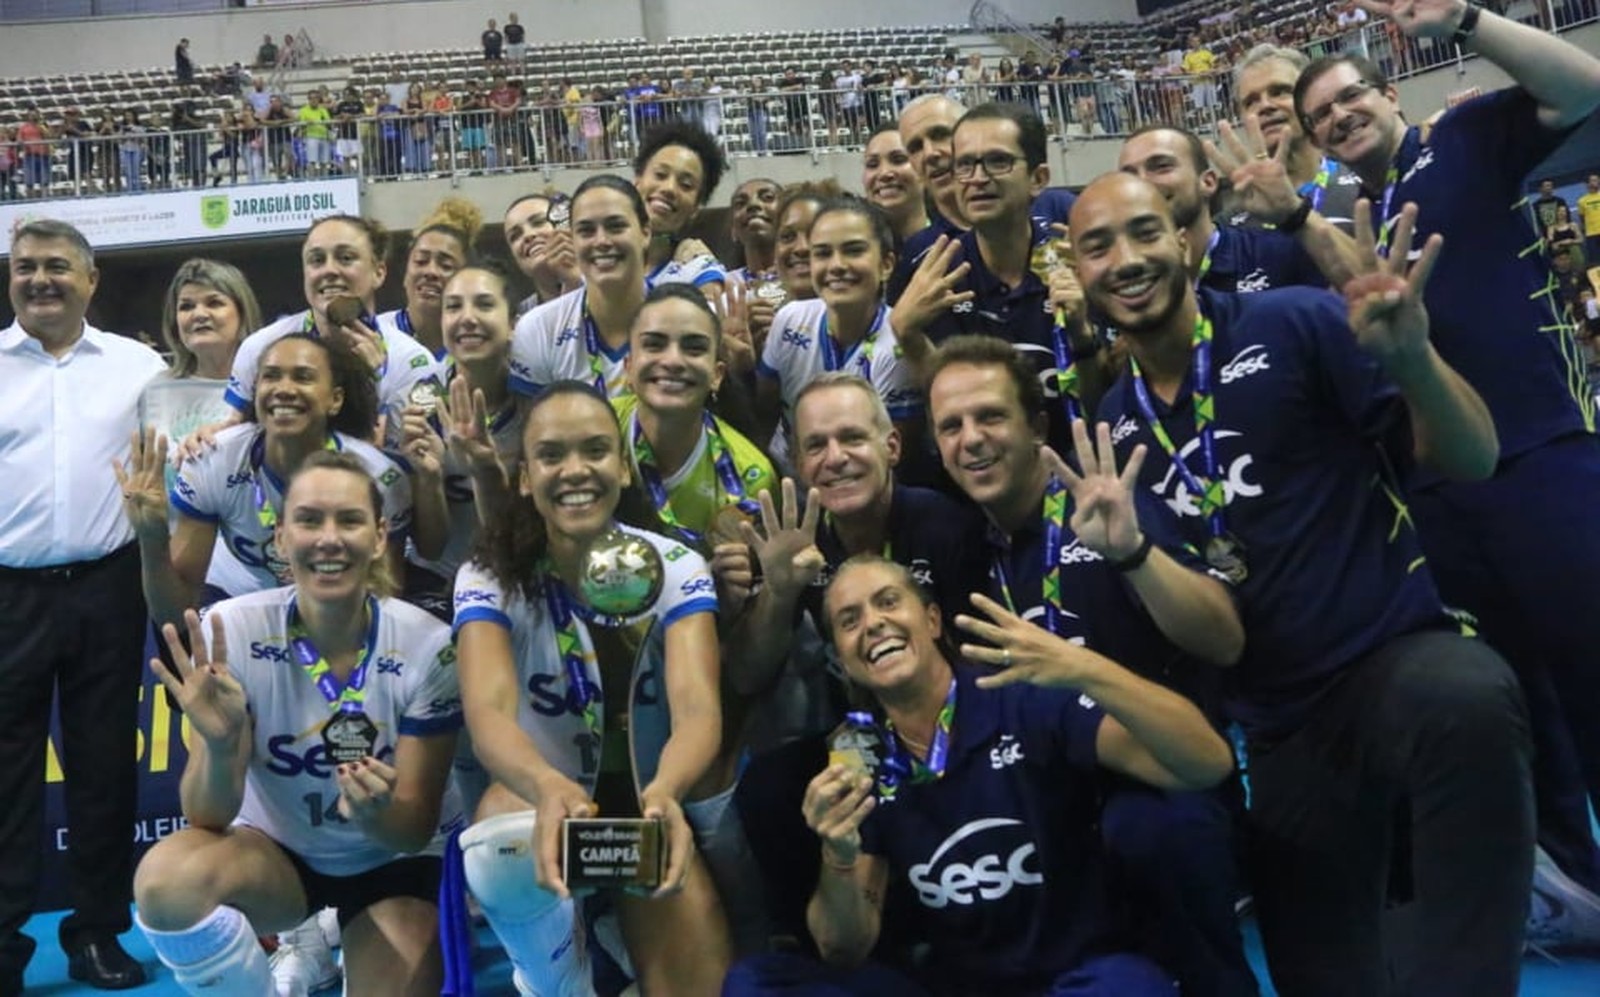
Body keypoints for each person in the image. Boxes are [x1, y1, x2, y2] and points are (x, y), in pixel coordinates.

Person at [1081, 170, 1533, 994]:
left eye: (1145, 232)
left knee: (1469, 697)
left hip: (1391, 661)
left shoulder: (1291, 321)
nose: (1126, 258)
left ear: (1185, 240)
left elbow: (1474, 457)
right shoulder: (1116, 427)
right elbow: (1222, 632)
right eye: (1098, 244)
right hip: (1282, 727)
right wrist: (1135, 555)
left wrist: (1414, 358)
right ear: (1076, 273)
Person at [1295, 13, 1600, 948]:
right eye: (1322, 116)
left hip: (1545, 451)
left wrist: (1467, 16)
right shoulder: (1356, 219)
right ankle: (1579, 894)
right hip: (1442, 492)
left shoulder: (1466, 133)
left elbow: (1586, 87)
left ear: (1392, 94)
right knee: (1517, 704)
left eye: (1353, 96)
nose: (1341, 116)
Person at [723, 555, 1233, 996]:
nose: (873, 624)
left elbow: (1207, 761)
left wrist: (1084, 668)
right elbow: (843, 949)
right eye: (849, 620)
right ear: (842, 660)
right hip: (958, 984)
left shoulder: (1020, 694)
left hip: (1078, 974)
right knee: (757, 984)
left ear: (933, 620)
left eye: (888, 602)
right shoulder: (859, 756)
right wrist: (837, 855)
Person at [131, 451, 464, 997]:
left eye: (349, 520)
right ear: (281, 538)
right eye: (309, 520)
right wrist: (217, 744)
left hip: (393, 862)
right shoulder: (230, 629)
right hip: (282, 856)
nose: (328, 538)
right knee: (165, 884)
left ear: (380, 536)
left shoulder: (428, 646)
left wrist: (378, 813)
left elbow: (413, 831)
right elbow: (206, 814)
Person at [451, 380, 730, 995]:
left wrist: (666, 792)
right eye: (551, 455)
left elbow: (697, 708)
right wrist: (547, 786)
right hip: (542, 803)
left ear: (624, 467)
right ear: (525, 479)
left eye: (596, 450)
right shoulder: (488, 576)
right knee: (499, 839)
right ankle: (556, 978)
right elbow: (489, 714)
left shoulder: (677, 567)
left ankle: (611, 931)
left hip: (644, 808)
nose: (575, 470)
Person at [0, 220, 166, 993]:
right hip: (8, 593)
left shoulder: (140, 368)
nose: (41, 279)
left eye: (57, 267)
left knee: (104, 769)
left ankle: (97, 932)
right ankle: (3, 945)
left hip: (108, 585)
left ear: (90, 279)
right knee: (5, 778)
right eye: (26, 266)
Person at [398, 264, 526, 624]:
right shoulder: (417, 400)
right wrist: (428, 477)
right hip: (435, 580)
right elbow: (431, 546)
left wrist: (486, 471)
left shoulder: (534, 404)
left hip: (516, 568)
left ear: (513, 322)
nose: (467, 318)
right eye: (453, 307)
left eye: (484, 305)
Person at [758, 198, 924, 470]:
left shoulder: (897, 347)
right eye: (822, 253)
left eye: (853, 250)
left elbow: (890, 463)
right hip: (783, 480)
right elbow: (764, 416)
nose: (836, 265)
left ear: (886, 265)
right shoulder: (790, 320)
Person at [1118, 125, 1327, 294]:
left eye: (1161, 166)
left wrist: (1296, 214)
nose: (1142, 182)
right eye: (1130, 175)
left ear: (1208, 183)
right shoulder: (1119, 282)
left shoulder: (1278, 254)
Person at [509, 175, 654, 400]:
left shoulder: (686, 315)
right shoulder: (537, 328)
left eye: (616, 226)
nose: (602, 241)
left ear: (646, 232)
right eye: (586, 231)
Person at [140, 259, 260, 471]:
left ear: (243, 313)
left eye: (214, 303)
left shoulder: (265, 387)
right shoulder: (155, 388)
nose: (199, 314)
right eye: (186, 306)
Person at [633, 122, 728, 295]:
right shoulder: (594, 252)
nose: (669, 188)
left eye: (686, 185)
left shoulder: (699, 271)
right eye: (660, 175)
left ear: (696, 208)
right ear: (638, 180)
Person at [382, 198, 480, 359]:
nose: (431, 272)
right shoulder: (376, 333)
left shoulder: (477, 343)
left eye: (446, 265)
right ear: (406, 274)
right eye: (421, 261)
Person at [503, 192, 581, 315]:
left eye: (539, 222)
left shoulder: (611, 288)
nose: (528, 235)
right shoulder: (517, 320)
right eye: (515, 236)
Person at [861, 125, 928, 246]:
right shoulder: (852, 254)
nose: (884, 173)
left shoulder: (955, 242)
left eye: (898, 160)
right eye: (872, 164)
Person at [1576, 173, 1600, 265]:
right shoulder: (1582, 201)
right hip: (1591, 234)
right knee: (1595, 261)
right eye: (1593, 180)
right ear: (1588, 184)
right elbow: (1582, 217)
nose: (1596, 182)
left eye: (1597, 180)